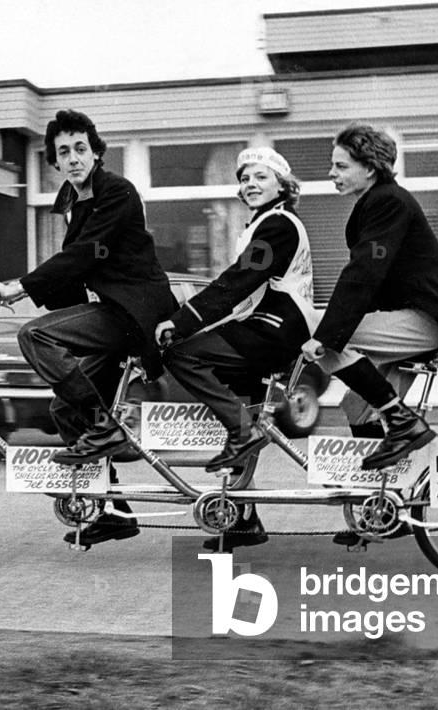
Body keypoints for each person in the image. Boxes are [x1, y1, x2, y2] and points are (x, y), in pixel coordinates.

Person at [300, 123, 438, 544]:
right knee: (355, 406)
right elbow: (374, 277)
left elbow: (363, 272)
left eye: (340, 165)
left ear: (370, 168)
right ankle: (380, 510)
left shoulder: (388, 202)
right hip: (411, 316)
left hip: (429, 319)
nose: (331, 173)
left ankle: (401, 421)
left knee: (321, 335)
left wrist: (328, 334)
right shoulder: (377, 202)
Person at [0, 109, 176, 547]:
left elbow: (88, 255)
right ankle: (111, 511)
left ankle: (106, 426)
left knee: (36, 335)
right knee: (65, 411)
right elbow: (71, 274)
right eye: (63, 152)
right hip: (111, 310)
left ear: (96, 152)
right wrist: (43, 298)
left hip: (135, 313)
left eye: (81, 149)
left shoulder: (117, 192)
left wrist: (20, 289)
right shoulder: (72, 202)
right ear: (55, 161)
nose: (73, 158)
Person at [156, 147, 318, 551]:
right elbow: (241, 288)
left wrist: (182, 322)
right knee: (245, 405)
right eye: (245, 179)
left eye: (261, 177)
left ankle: (242, 432)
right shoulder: (264, 224)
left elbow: (240, 280)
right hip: (267, 325)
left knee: (182, 354)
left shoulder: (278, 225)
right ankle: (243, 517)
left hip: (276, 328)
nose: (250, 184)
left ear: (283, 185)